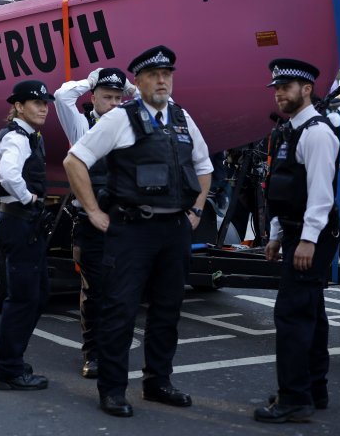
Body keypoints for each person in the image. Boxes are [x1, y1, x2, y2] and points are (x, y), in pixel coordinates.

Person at [63, 45, 212, 417]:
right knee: (120, 309)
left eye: (167, 74)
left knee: (167, 309)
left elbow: (204, 166)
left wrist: (196, 210)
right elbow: (75, 160)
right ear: (139, 82)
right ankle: (112, 389)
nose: (162, 81)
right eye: (153, 75)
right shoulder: (120, 118)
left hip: (174, 229)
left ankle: (158, 382)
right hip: (132, 230)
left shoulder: (182, 118)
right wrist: (94, 211)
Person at [254, 59, 340, 423]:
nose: (279, 93)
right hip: (296, 232)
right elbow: (283, 189)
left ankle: (294, 399)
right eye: (276, 88)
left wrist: (307, 240)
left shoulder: (316, 133)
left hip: (311, 236)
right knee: (311, 315)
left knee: (292, 317)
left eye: (286, 87)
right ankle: (313, 390)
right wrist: (276, 235)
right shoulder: (289, 130)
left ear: (306, 90)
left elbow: (321, 194)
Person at [53, 67, 134, 379]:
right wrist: (89, 80)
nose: (113, 103)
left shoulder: (131, 125)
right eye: (106, 97)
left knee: (123, 292)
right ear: (94, 98)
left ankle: (114, 350)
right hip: (91, 221)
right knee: (95, 292)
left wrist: (130, 88)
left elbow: (163, 104)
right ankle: (93, 354)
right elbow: (62, 96)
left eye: (118, 98)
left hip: (125, 223)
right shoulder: (81, 126)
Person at [0, 80, 55, 391]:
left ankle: (8, 362)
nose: (43, 108)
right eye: (36, 103)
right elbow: (8, 175)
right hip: (19, 221)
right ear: (18, 106)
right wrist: (29, 198)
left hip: (24, 223)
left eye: (45, 103)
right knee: (24, 298)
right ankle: (9, 370)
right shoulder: (17, 138)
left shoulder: (29, 136)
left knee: (36, 295)